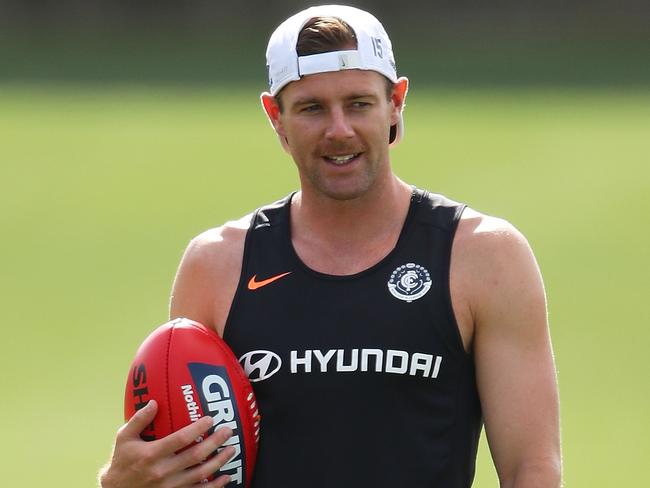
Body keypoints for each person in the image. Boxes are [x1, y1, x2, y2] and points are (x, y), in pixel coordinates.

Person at [99, 5, 561, 488]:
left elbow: (532, 470)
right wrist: (122, 482)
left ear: (396, 103)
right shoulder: (217, 264)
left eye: (359, 103)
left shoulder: (483, 256)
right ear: (275, 117)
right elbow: (182, 460)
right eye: (312, 108)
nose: (338, 130)